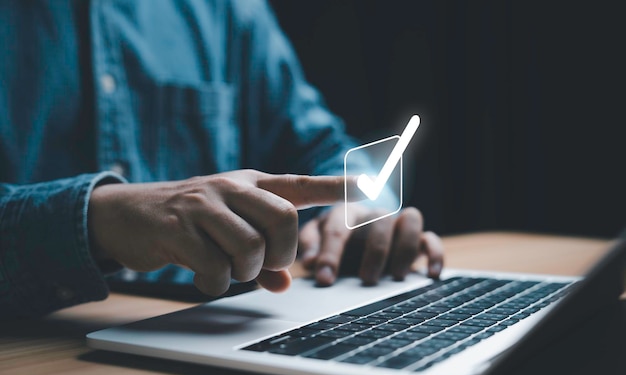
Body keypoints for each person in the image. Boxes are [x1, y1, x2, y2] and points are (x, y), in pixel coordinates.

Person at [0, 0, 443, 319]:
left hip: (214, 341)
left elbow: (324, 149)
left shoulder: (228, 10)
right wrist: (96, 220)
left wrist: (361, 212)